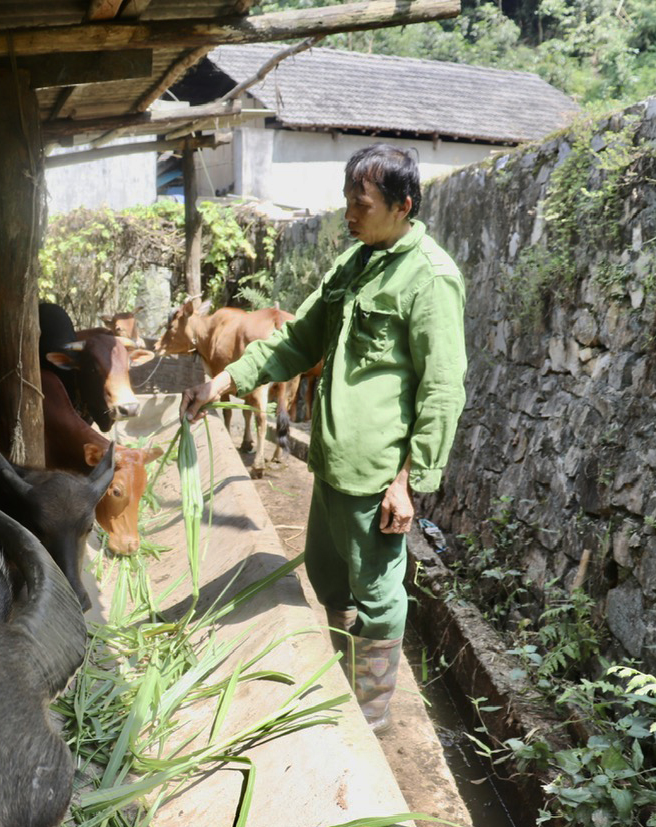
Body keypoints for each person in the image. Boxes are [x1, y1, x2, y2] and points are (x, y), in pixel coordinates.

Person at [180, 144, 467, 733]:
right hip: (333, 466)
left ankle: (372, 715)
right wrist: (225, 378)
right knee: (329, 576)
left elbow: (442, 389)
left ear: (402, 205)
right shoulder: (354, 265)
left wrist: (409, 482)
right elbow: (295, 341)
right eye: (346, 200)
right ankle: (342, 672)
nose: (348, 213)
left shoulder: (430, 279)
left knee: (380, 593)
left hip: (378, 474)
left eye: (360, 203)